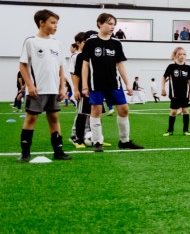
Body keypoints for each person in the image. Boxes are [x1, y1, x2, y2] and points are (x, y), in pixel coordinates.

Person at [81, 12, 144, 152]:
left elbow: (120, 64)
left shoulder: (116, 43)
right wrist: (84, 85)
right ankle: (97, 142)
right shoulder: (91, 42)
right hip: (95, 83)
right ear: (99, 23)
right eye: (109, 23)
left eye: (114, 24)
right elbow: (85, 65)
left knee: (124, 109)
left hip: (114, 83)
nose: (112, 27)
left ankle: (124, 141)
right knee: (96, 110)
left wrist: (127, 83)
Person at [16, 9, 72, 162]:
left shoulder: (57, 43)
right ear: (42, 23)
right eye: (53, 23)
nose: (56, 26)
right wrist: (30, 85)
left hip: (54, 89)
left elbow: (61, 67)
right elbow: (23, 66)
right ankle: (25, 153)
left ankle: (58, 151)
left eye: (56, 23)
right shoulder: (31, 42)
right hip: (37, 90)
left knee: (54, 118)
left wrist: (62, 87)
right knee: (31, 118)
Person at [162, 47, 190, 136]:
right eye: (179, 54)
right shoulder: (171, 67)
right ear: (175, 55)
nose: (182, 56)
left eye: (184, 54)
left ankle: (186, 130)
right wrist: (163, 88)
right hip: (174, 94)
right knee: (173, 112)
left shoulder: (188, 67)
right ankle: (170, 131)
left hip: (185, 93)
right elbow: (164, 77)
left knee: (185, 110)